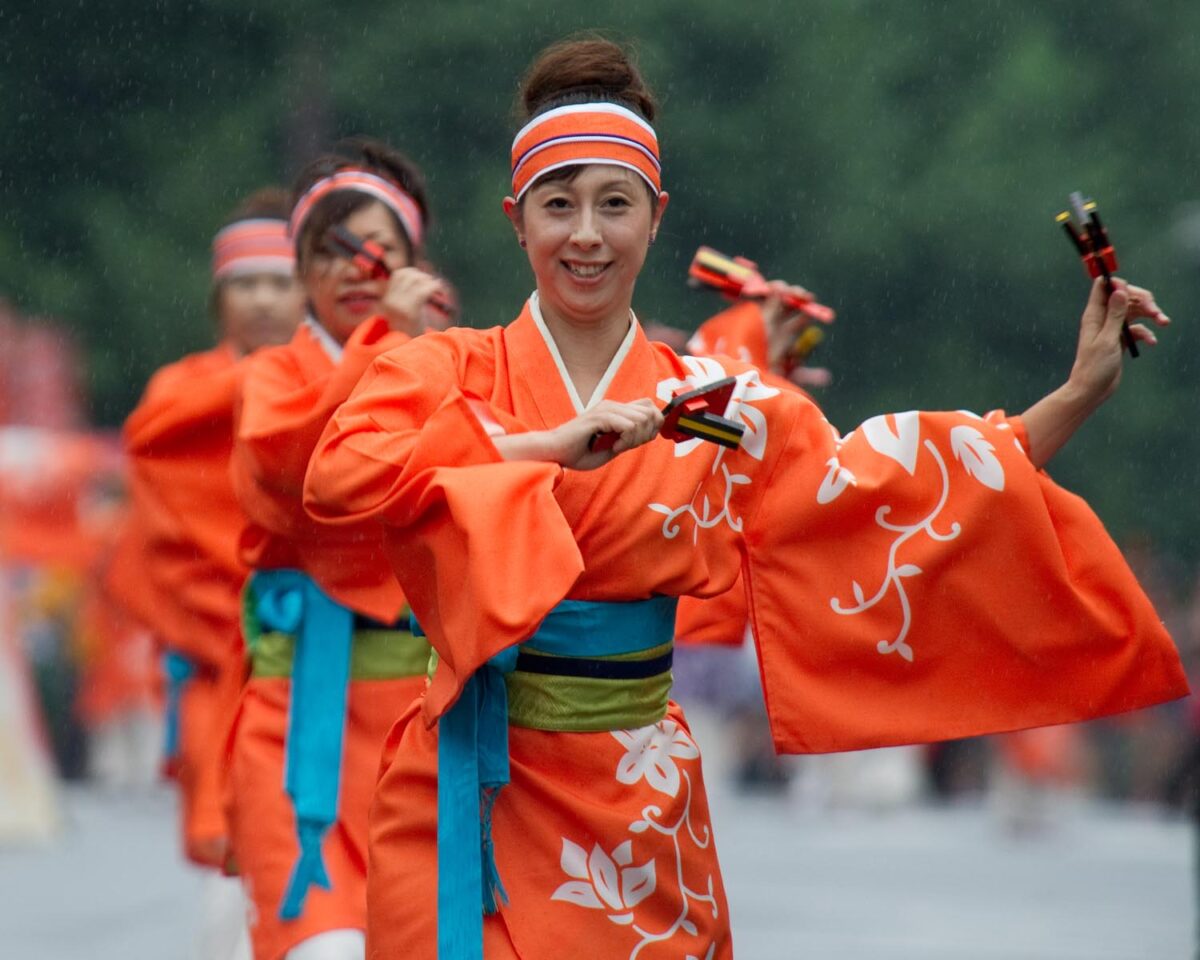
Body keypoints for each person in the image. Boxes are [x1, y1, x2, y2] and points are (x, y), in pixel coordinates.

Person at [304, 38, 1186, 960]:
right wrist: (548, 447)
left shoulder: (713, 407)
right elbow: (343, 477)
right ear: (514, 221)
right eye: (557, 206)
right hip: (464, 790)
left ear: (657, 218)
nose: (587, 235)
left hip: (634, 799)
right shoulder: (444, 367)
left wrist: (1076, 392)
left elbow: (902, 493)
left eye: (616, 204)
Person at [227, 138, 443, 960]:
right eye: (335, 251)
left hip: (422, 729)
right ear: (303, 269)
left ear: (416, 262)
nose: (360, 269)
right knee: (321, 949)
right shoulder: (271, 378)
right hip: (295, 720)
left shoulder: (449, 365)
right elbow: (301, 469)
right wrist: (394, 341)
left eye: (382, 252)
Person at [121, 188, 303, 959]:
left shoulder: (334, 379)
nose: (262, 299)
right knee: (235, 854)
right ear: (217, 296)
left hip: (320, 640)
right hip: (217, 645)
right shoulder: (180, 390)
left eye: (279, 281)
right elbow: (161, 525)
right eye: (245, 283)